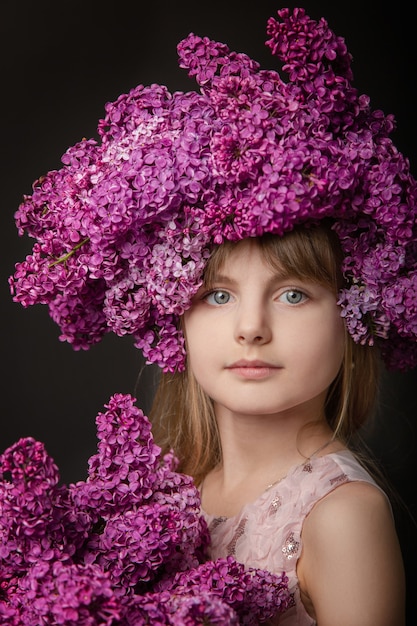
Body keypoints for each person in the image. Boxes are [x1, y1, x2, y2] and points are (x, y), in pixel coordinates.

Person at [9, 6, 415, 625]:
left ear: (355, 313)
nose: (251, 327)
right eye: (217, 295)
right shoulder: (171, 492)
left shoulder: (340, 517)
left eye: (293, 294)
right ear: (172, 318)